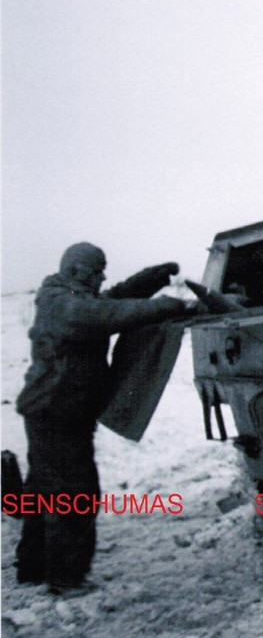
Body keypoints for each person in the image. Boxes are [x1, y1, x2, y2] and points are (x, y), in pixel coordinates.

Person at [14, 243, 189, 596]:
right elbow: (99, 315)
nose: (103, 276)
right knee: (75, 492)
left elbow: (113, 299)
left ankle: (33, 567)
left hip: (55, 410)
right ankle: (65, 577)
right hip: (57, 412)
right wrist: (164, 307)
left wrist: (152, 278)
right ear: (76, 270)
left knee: (43, 490)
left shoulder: (72, 294)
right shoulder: (60, 302)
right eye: (97, 270)